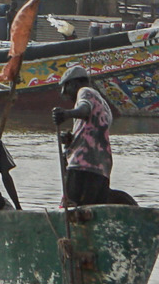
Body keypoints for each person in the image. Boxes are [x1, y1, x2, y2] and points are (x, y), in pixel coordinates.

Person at [52, 64, 130, 207]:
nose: (65, 94)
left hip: (82, 165)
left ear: (73, 83)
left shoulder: (85, 92)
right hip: (102, 167)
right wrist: (71, 141)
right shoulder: (103, 104)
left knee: (71, 209)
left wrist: (66, 114)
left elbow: (84, 109)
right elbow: (93, 131)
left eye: (65, 87)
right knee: (92, 211)